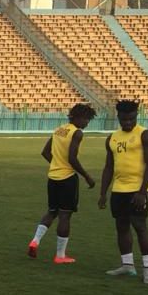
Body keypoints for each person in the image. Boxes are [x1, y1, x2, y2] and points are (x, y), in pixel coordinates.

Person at [27, 104, 97, 263]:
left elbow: (45, 152)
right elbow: (72, 158)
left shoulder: (59, 129)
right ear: (78, 117)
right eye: (86, 119)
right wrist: (86, 176)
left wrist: (56, 164)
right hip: (67, 179)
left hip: (53, 177)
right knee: (65, 215)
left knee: (52, 211)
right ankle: (60, 255)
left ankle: (35, 241)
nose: (87, 123)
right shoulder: (77, 133)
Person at [98, 100, 148, 284]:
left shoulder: (145, 135)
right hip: (119, 189)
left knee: (140, 226)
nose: (128, 123)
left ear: (136, 116)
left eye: (131, 119)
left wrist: (142, 191)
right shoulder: (112, 138)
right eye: (124, 119)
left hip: (138, 190)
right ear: (118, 117)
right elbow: (108, 167)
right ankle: (127, 265)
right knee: (121, 226)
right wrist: (103, 193)